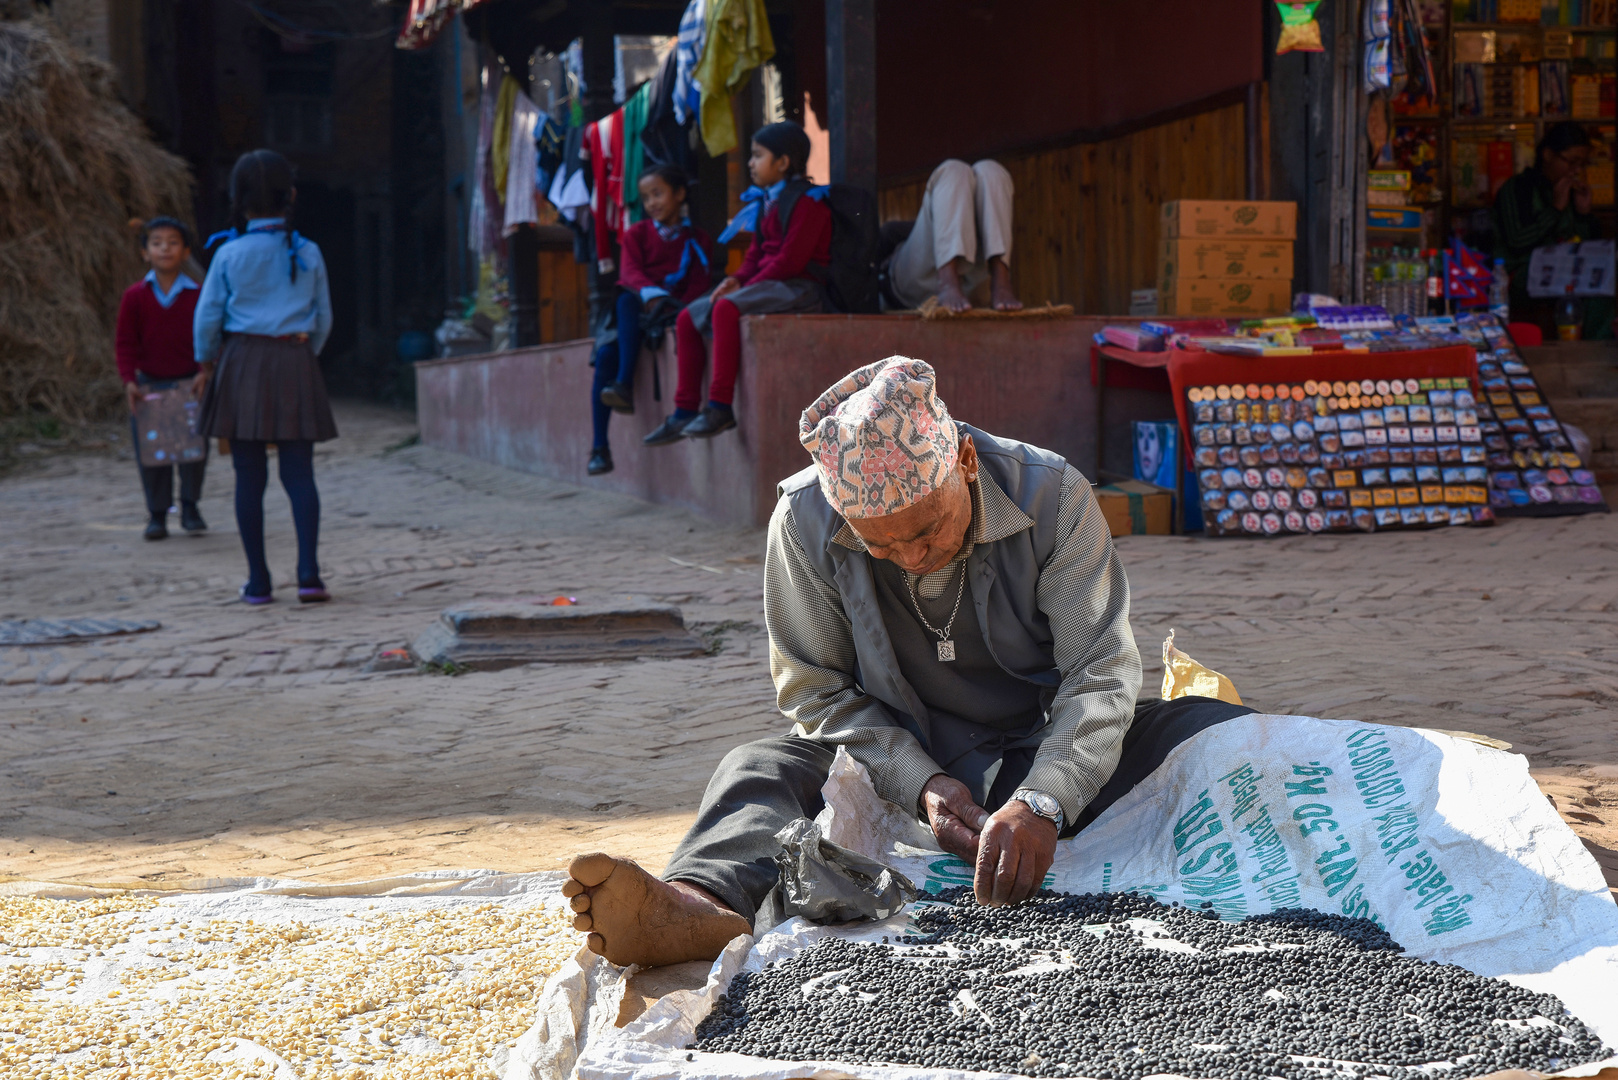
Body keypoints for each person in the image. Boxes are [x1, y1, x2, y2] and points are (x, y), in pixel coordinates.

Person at [565, 357, 1253, 968]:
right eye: (881, 547)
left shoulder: (1055, 496)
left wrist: (1044, 799)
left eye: (927, 530)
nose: (913, 557)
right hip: (891, 759)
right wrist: (921, 782)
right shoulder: (803, 521)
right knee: (761, 769)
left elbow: (1100, 674)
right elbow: (817, 694)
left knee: (1205, 729)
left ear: (966, 464)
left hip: (1042, 743)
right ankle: (692, 905)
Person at [195, 149, 337, 606]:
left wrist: (207, 361)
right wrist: (303, 357)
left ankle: (258, 582)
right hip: (295, 358)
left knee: (247, 477)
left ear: (236, 199)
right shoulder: (308, 251)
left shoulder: (228, 253)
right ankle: (309, 576)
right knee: (300, 475)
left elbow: (207, 318)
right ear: (291, 195)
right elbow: (324, 319)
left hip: (240, 362)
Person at [643, 121, 831, 446]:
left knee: (726, 309)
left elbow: (790, 261)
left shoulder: (808, 202)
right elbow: (756, 254)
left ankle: (719, 407)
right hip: (768, 283)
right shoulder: (765, 203)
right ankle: (685, 410)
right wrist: (735, 280)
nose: (750, 163)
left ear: (783, 163)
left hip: (799, 286)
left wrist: (745, 289)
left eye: (758, 155)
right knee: (688, 317)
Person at [588, 165, 715, 476]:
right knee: (618, 321)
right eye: (646, 197)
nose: (652, 203)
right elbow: (629, 273)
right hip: (636, 313)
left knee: (623, 324)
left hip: (673, 312)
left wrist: (672, 305)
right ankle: (600, 445)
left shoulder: (697, 238)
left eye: (658, 193)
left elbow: (700, 283)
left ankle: (622, 383)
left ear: (680, 194)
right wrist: (651, 294)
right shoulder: (637, 234)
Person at [115, 216, 208, 541]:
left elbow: (209, 337)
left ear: (184, 252)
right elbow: (125, 342)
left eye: (173, 243)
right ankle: (157, 514)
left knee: (193, 448)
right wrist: (130, 380)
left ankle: (191, 507)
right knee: (153, 452)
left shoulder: (199, 296)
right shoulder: (135, 297)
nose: (164, 249)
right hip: (150, 383)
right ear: (145, 253)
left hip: (190, 383)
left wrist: (204, 372)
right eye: (156, 243)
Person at [1493, 122, 1611, 339]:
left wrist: (1584, 213)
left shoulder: (1571, 192)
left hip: (1567, 272)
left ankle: (1593, 350)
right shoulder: (1517, 188)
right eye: (1572, 162)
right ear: (1548, 155)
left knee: (1604, 281)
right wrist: (1555, 209)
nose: (1576, 171)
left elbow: (1586, 246)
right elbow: (1518, 240)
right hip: (1519, 276)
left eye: (1581, 164)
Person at [885, 159, 1022, 313]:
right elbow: (888, 231)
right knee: (953, 171)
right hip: (922, 279)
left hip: (974, 281)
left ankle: (1001, 282)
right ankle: (947, 282)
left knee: (992, 171)